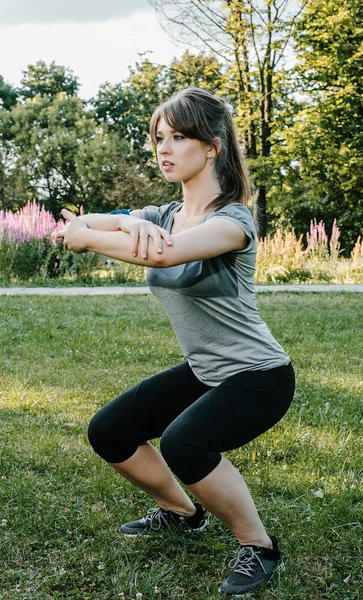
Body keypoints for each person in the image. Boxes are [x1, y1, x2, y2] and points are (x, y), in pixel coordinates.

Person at [57, 87, 295, 596]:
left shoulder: (233, 221)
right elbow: (105, 221)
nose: (163, 148)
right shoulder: (163, 216)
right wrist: (118, 222)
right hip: (206, 370)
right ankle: (182, 512)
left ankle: (259, 546)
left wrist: (90, 236)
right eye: (159, 138)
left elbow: (166, 257)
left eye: (179, 137)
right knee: (110, 431)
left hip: (259, 376)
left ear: (211, 147)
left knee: (186, 442)